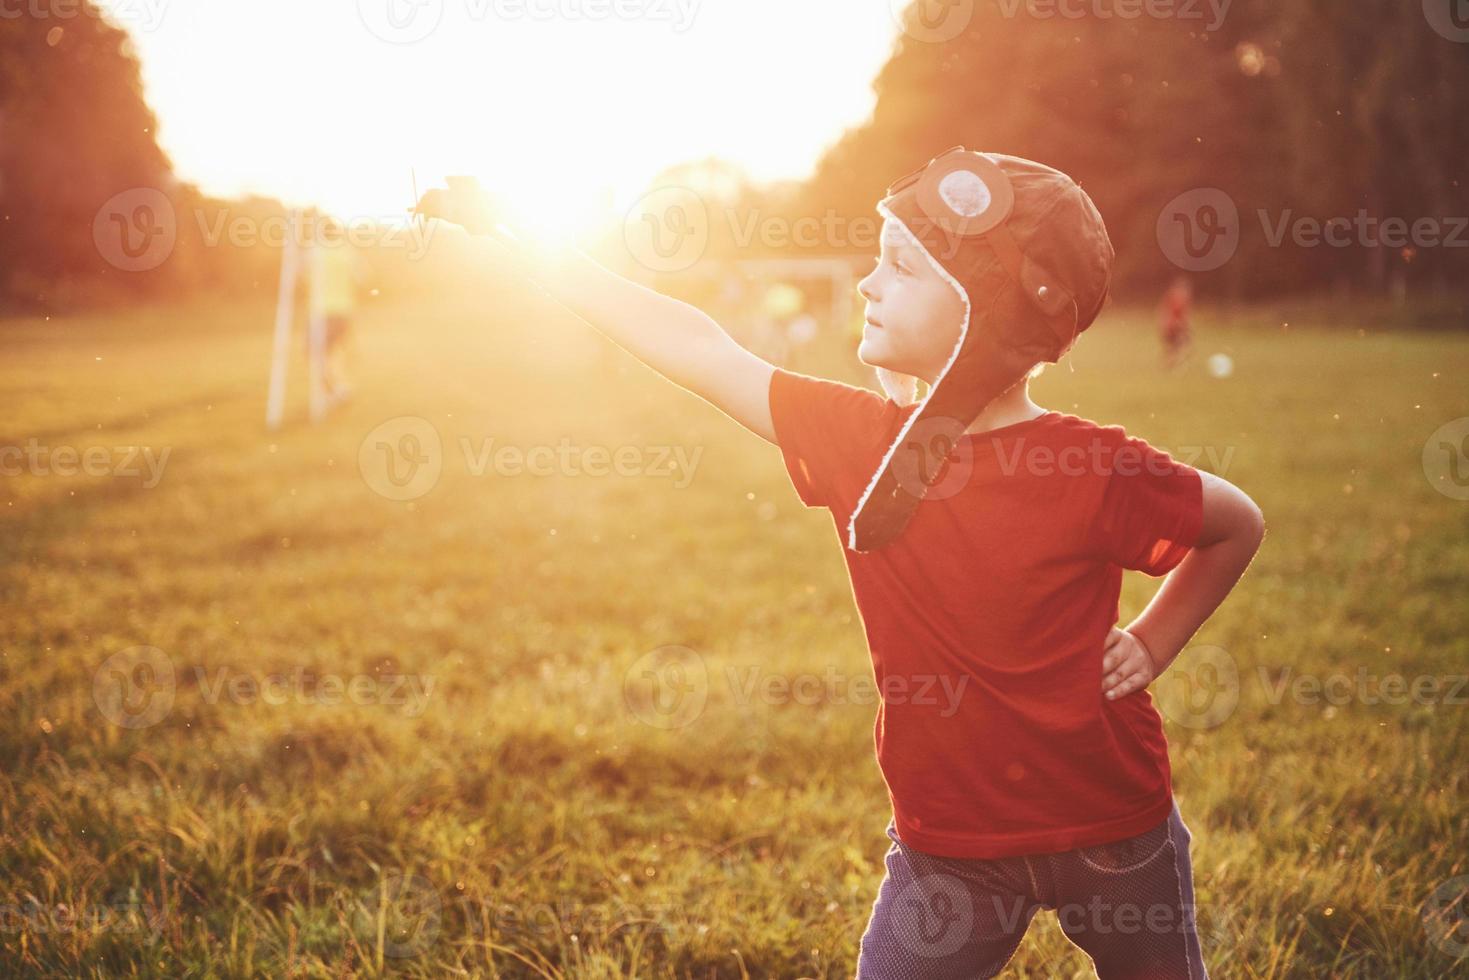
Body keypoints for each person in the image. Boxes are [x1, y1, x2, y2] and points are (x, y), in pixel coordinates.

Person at [416, 148, 1265, 978]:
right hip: (949, 854)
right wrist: (538, 249)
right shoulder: (856, 442)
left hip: (1113, 831)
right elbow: (705, 351)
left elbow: (1234, 524)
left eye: (900, 264)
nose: (866, 283)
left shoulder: (1088, 466)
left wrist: (1154, 640)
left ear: (986, 310)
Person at [1159, 274, 1194, 370]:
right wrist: (1185, 326)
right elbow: (1180, 315)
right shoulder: (1180, 298)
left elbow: (1164, 310)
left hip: (1169, 325)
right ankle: (1179, 367)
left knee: (1173, 348)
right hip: (1174, 326)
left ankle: (1169, 366)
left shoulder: (1172, 296)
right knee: (1183, 346)